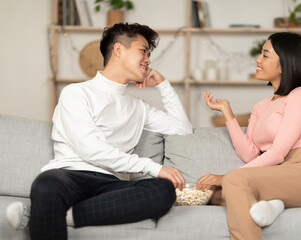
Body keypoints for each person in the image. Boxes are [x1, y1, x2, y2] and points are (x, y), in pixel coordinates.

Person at [5, 22, 192, 240]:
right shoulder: (76, 93)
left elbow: (183, 130)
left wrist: (163, 84)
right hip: (69, 176)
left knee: (163, 190)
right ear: (119, 50)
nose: (148, 60)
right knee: (46, 185)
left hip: (112, 184)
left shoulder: (138, 107)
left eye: (149, 54)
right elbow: (90, 149)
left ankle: (48, 215)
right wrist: (152, 167)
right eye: (143, 51)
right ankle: (47, 210)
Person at [197, 32, 301, 240]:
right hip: (282, 174)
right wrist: (227, 112)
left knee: (232, 182)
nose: (257, 59)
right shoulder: (260, 107)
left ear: (284, 64)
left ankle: (272, 204)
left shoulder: (300, 95)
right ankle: (273, 204)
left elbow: (278, 152)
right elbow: (250, 154)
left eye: (265, 55)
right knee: (211, 195)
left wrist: (225, 177)